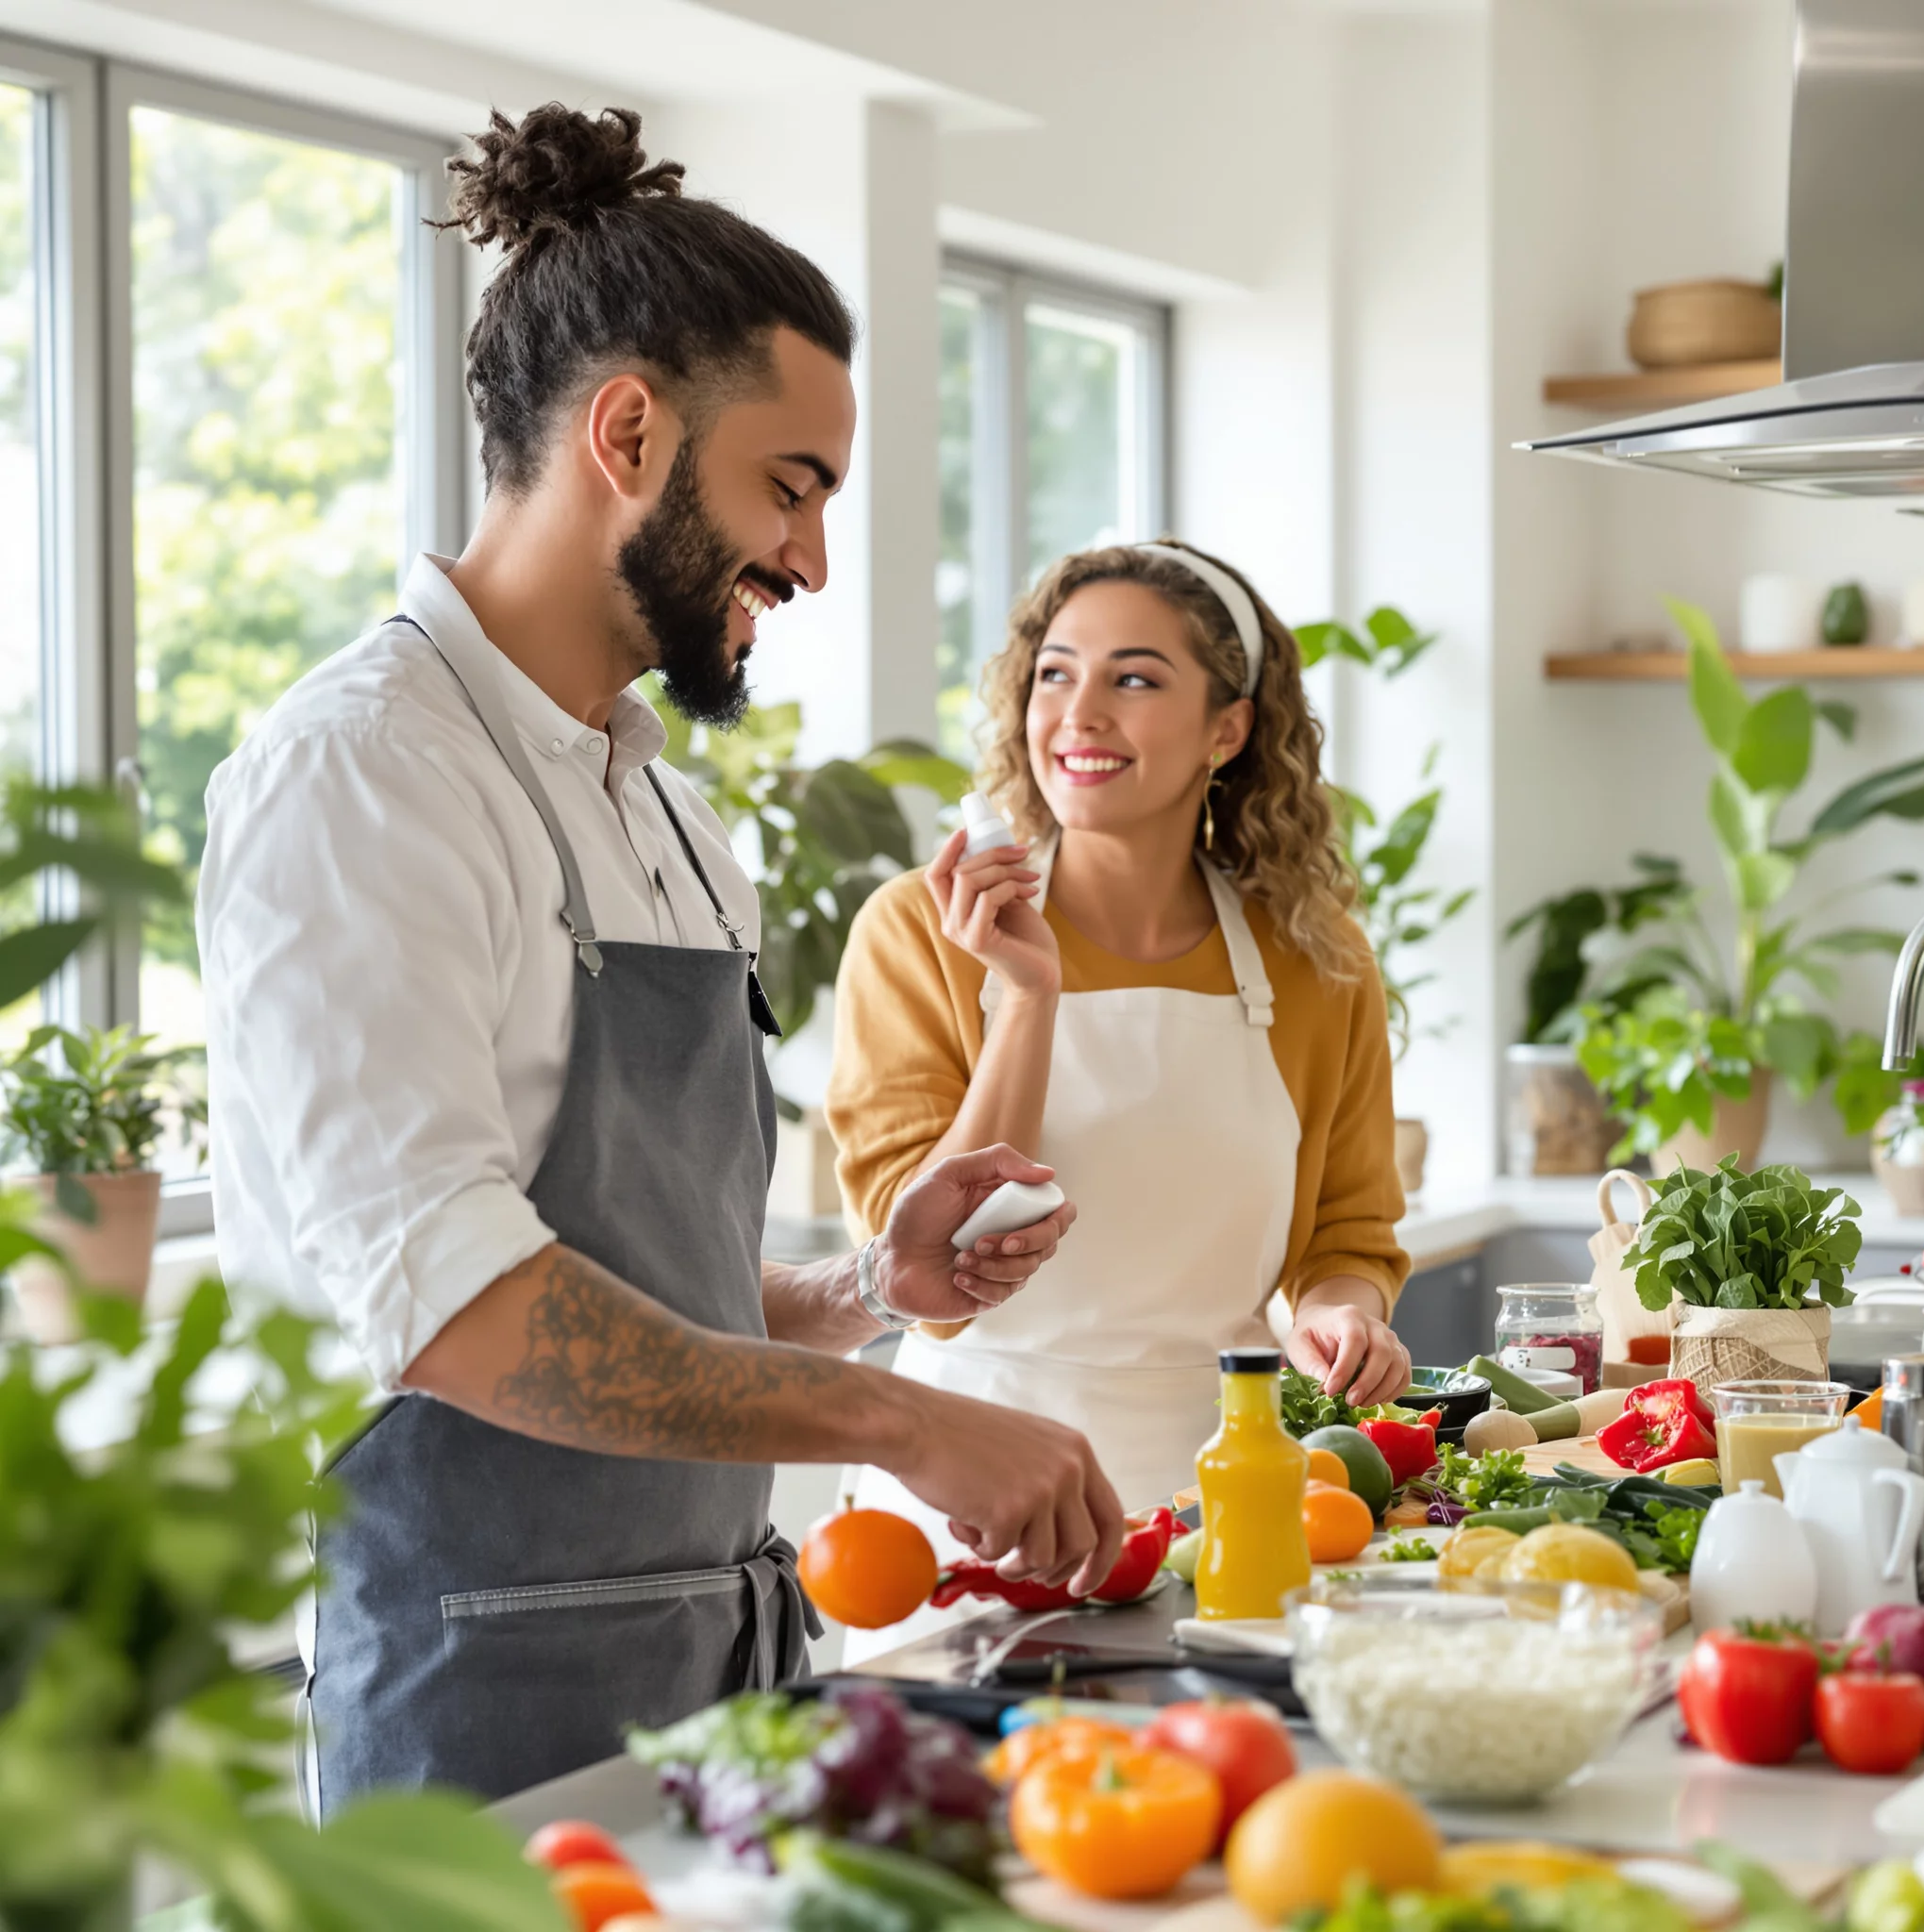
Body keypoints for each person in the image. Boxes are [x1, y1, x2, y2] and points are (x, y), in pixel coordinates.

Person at [195, 103, 1121, 1813]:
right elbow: (455, 1307)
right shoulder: (367, 774)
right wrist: (906, 1426)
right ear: (626, 428)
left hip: (726, 1679)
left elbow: (639, 1274)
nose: (815, 560)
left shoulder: (668, 816)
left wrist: (866, 1295)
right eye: (792, 484)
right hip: (473, 1710)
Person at [826, 541, 1412, 1656]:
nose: (1078, 714)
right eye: (1054, 673)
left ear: (1225, 729)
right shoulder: (917, 929)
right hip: (970, 1494)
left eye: (1134, 679)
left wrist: (1343, 1311)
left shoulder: (1311, 958)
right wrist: (1026, 994)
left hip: (1213, 1497)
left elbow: (1345, 1228)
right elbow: (930, 1279)